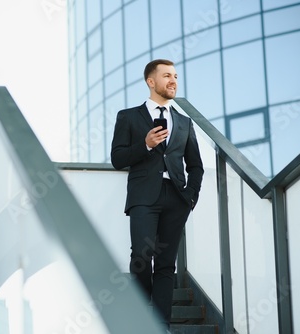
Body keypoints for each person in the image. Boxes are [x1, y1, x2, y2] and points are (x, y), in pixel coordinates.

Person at [110, 59, 204, 330]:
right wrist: (146, 145)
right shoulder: (128, 116)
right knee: (141, 255)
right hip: (143, 196)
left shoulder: (185, 123)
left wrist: (191, 196)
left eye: (175, 76)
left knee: (165, 265)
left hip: (176, 199)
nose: (173, 80)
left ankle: (161, 325)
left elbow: (195, 165)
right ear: (151, 82)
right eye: (166, 76)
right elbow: (118, 158)